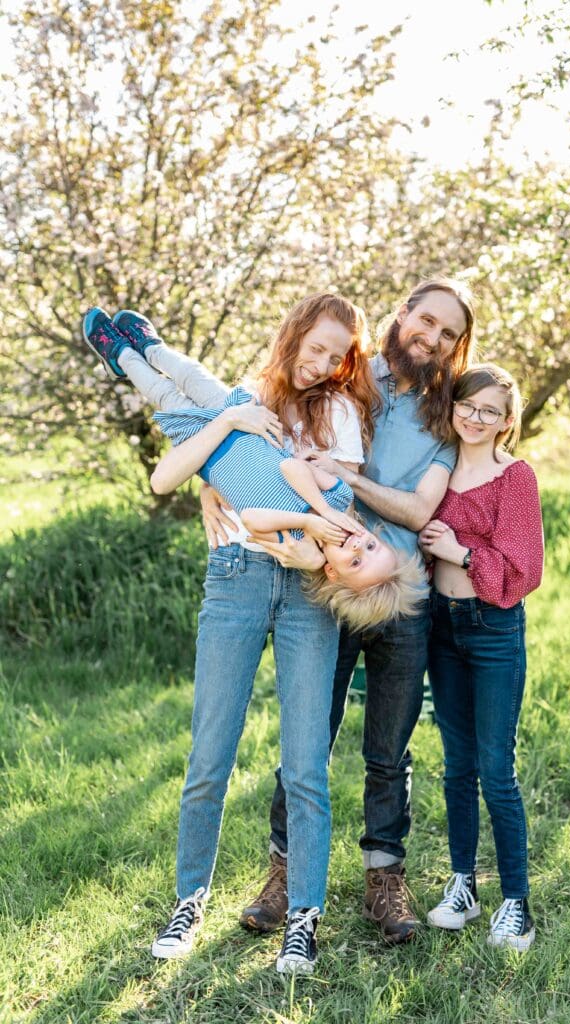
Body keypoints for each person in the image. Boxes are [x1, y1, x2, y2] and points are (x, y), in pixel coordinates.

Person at [81, 293, 381, 974]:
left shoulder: (337, 412)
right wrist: (214, 475)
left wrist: (288, 523)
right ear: (293, 335)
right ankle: (189, 902)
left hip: (308, 589)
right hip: (235, 575)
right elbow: (182, 472)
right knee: (208, 756)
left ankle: (303, 916)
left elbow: (331, 497)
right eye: (316, 348)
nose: (324, 363)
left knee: (305, 765)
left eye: (337, 356)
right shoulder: (248, 391)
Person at [205, 276, 477, 944]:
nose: (433, 339)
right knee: (309, 737)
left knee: (388, 747)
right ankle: (284, 872)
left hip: (400, 592)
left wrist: (344, 477)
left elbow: (416, 510)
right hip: (320, 586)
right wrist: (212, 484)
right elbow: (259, 425)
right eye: (427, 321)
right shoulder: (343, 368)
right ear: (403, 313)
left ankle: (384, 878)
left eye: (448, 334)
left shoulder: (447, 411)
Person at [83, 307, 424, 629]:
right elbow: (293, 467)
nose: (356, 546)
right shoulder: (338, 499)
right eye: (370, 547)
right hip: (243, 417)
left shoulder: (297, 537)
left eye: (354, 562)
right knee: (191, 376)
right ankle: (151, 347)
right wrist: (321, 509)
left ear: (333, 572)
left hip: (211, 450)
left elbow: (252, 519)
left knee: (162, 393)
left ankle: (123, 357)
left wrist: (308, 521)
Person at [419, 363, 544, 952]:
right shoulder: (436, 468)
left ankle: (516, 902)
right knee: (455, 765)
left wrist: (460, 550)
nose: (475, 417)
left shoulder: (514, 476)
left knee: (496, 768)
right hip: (441, 628)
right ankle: (464, 884)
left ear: (506, 421)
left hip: (492, 628)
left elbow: (524, 567)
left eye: (489, 411)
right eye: (468, 405)